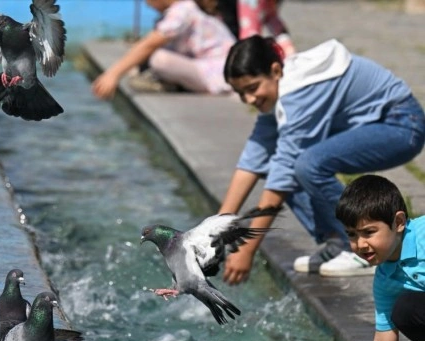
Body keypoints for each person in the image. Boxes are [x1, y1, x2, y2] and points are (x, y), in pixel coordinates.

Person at [217, 35, 425, 284]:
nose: (249, 99)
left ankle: (359, 251)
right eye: (240, 93)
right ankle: (338, 241)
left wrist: (247, 249)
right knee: (283, 162)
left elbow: (283, 175)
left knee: (307, 164)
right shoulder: (280, 88)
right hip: (383, 124)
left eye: (252, 88)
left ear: (275, 70)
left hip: (402, 125)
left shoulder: (298, 92)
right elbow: (254, 156)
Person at [335, 174, 425, 341]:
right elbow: (385, 338)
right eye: (352, 234)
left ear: (399, 222)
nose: (360, 244)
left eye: (368, 232)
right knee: (404, 310)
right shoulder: (385, 278)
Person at [91, 0, 235, 99]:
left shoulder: (182, 11)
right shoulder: (183, 8)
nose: (147, 4)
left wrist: (113, 74)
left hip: (219, 75)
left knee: (160, 59)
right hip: (211, 68)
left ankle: (176, 85)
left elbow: (149, 44)